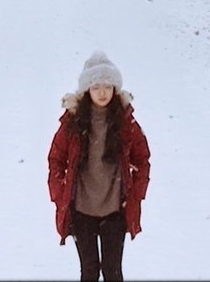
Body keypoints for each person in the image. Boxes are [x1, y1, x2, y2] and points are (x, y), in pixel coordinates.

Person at [46, 50, 150, 282]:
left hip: (115, 211)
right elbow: (56, 159)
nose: (102, 92)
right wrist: (60, 194)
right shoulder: (73, 122)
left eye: (107, 86)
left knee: (113, 272)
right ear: (86, 91)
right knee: (89, 272)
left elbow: (142, 159)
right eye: (96, 87)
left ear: (115, 89)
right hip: (82, 211)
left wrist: (136, 194)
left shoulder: (125, 122)